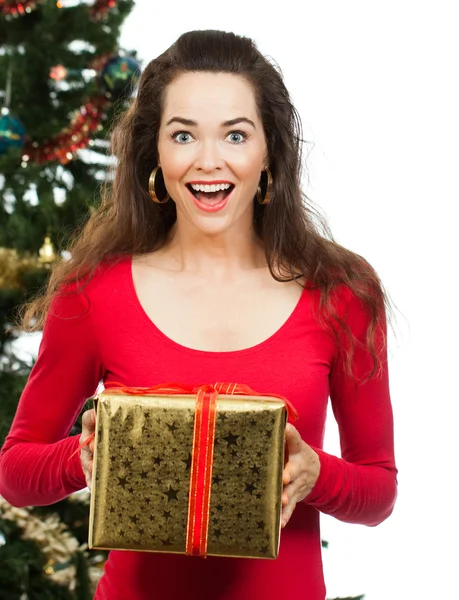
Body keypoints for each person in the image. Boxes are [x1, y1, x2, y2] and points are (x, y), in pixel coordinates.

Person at [0, 30, 397, 600]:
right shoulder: (94, 294)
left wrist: (315, 474)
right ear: (156, 153)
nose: (209, 162)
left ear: (268, 155)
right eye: (183, 134)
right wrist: (84, 456)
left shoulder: (342, 294)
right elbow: (15, 473)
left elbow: (379, 492)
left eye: (235, 135)